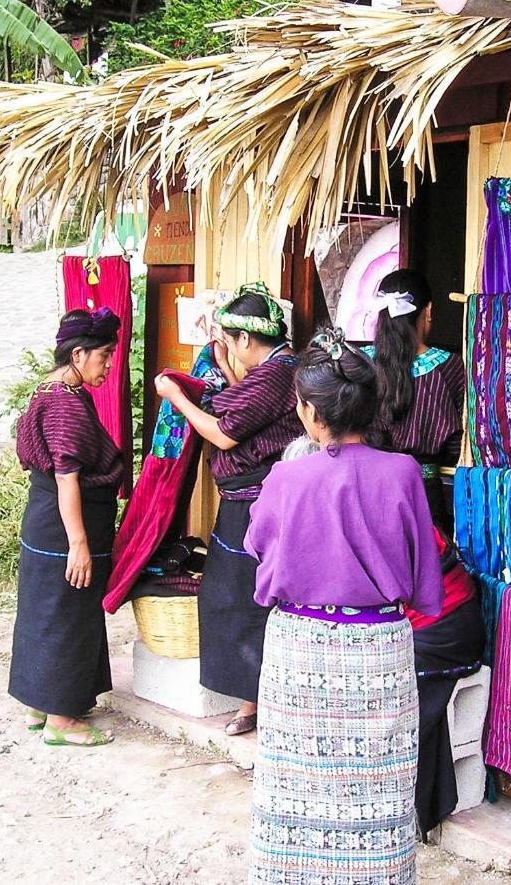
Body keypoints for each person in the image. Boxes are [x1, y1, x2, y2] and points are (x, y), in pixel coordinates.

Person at [242, 328, 444, 884]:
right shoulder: (402, 472)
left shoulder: (288, 475)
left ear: (309, 411)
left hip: (301, 651)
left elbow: (258, 543)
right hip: (379, 651)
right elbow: (422, 563)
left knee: (297, 785)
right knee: (377, 785)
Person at [153, 283, 301, 736]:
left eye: (232, 344)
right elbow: (256, 413)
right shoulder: (281, 370)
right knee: (244, 598)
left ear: (245, 340)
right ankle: (254, 698)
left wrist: (176, 397)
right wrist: (223, 372)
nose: (233, 354)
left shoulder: (276, 374)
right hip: (255, 499)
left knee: (240, 600)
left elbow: (224, 433)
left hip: (255, 505)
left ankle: (253, 702)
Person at [365, 268, 482, 834]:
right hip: (430, 492)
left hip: (375, 491)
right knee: (433, 588)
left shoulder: (365, 368)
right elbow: (464, 436)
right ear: (428, 314)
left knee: (388, 598)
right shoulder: (450, 368)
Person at [10, 307, 124, 747]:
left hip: (42, 520)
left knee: (43, 611)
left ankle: (38, 703)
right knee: (70, 615)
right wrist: (78, 543)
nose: (110, 364)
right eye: (105, 355)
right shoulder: (66, 406)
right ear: (78, 354)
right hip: (65, 527)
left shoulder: (46, 391)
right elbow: (66, 476)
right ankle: (62, 721)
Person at [364, 268, 465, 531]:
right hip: (423, 493)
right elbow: (457, 446)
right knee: (428, 563)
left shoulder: (359, 365)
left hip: (367, 487)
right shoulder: (449, 366)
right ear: (428, 310)